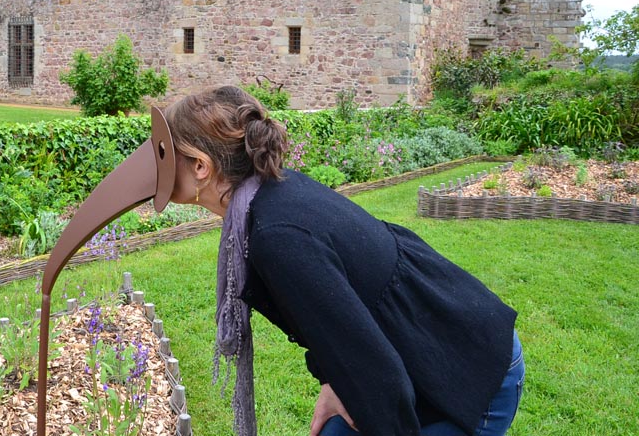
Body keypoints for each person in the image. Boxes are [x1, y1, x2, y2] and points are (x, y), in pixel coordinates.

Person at [163, 85, 524, 436]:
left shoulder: (276, 235)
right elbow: (334, 314)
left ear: (200, 166)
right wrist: (331, 377)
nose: (157, 164)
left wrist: (344, 380)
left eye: (167, 153)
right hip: (432, 349)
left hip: (469, 375)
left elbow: (379, 378)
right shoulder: (272, 194)